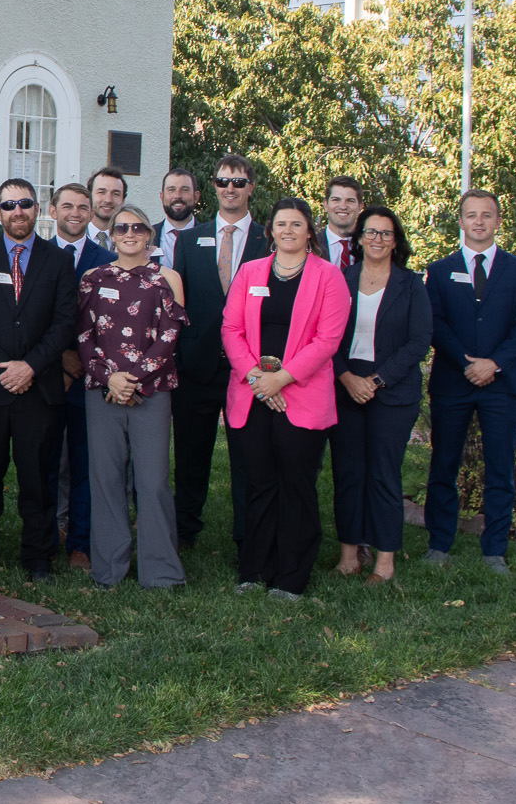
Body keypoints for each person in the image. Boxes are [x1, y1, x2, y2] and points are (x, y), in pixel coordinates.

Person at [221, 197, 351, 599]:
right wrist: (258, 378)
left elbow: (328, 339)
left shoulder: (329, 276)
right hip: (253, 391)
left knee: (296, 484)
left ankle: (292, 577)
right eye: (281, 224)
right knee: (258, 484)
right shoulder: (250, 272)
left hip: (303, 393)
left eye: (297, 224)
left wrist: (284, 380)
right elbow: (231, 328)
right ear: (270, 231)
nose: (288, 231)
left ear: (309, 230)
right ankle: (254, 570)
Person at [0, 178, 79, 581]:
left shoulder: (58, 261)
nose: (18, 211)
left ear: (38, 208)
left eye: (25, 203)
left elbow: (64, 324)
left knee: (36, 481)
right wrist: (5, 367)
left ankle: (38, 558)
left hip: (39, 388)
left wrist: (30, 366)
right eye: (10, 205)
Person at [423, 189, 516, 575]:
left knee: (500, 469)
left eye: (486, 215)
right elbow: (434, 324)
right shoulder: (439, 271)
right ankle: (439, 544)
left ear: (498, 221)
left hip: (502, 386)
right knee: (443, 466)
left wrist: (494, 364)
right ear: (460, 221)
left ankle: (495, 550)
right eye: (471, 215)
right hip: (453, 383)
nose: (478, 222)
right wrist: (467, 362)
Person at [76, 205, 186, 590]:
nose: (129, 233)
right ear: (110, 233)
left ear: (148, 235)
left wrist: (133, 378)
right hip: (103, 391)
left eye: (138, 227)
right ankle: (109, 570)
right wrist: (110, 379)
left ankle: (161, 571)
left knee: (153, 481)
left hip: (151, 391)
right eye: (121, 227)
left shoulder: (167, 278)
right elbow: (84, 336)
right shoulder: (93, 278)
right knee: (105, 480)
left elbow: (170, 337)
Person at [331, 205, 431, 585]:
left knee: (384, 475)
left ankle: (384, 562)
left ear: (395, 241)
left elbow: (419, 340)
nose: (377, 239)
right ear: (358, 239)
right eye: (370, 232)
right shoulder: (341, 279)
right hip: (345, 387)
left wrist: (375, 380)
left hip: (392, 391)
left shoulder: (411, 284)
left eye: (385, 233)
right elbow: (327, 335)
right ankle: (349, 557)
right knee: (348, 474)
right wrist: (346, 377)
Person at [172, 155, 266, 552]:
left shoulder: (269, 240)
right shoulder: (190, 241)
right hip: (197, 365)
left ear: (251, 188)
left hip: (252, 368)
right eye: (223, 181)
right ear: (212, 187)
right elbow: (180, 306)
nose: (231, 188)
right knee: (191, 456)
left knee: (250, 458)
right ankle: (185, 534)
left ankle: (248, 535)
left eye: (239, 182)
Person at [45, 183, 113, 572]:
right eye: (67, 205)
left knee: (86, 461)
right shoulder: (37, 254)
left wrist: (82, 362)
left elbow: (113, 322)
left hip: (90, 376)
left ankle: (81, 542)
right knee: (47, 459)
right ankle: (46, 533)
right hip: (49, 373)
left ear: (91, 213)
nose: (75, 212)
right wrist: (61, 358)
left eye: (82, 206)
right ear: (52, 211)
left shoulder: (107, 259)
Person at [155, 167, 199, 271]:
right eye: (171, 190)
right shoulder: (147, 237)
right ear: (162, 197)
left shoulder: (210, 236)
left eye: (184, 190)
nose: (177, 196)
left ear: (196, 197)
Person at [319, 176, 363, 270]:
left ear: (360, 207)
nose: (343, 206)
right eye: (336, 200)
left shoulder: (368, 246)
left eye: (350, 201)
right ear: (326, 205)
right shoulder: (310, 247)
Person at [84, 167, 127, 250]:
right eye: (101, 192)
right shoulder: (77, 237)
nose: (108, 200)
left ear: (123, 200)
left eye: (115, 194)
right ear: (89, 196)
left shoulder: (129, 240)